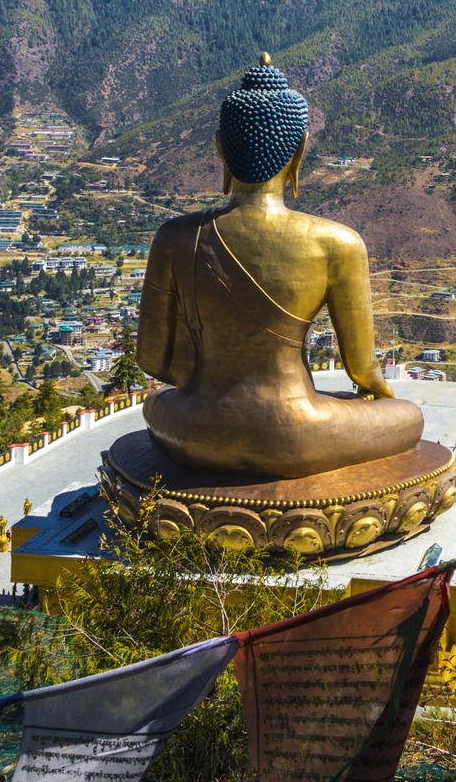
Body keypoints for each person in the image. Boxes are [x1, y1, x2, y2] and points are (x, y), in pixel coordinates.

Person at [136, 57, 424, 480]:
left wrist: (205, 387)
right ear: (300, 147)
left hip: (197, 430)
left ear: (220, 148)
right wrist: (379, 398)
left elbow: (154, 360)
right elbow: (361, 369)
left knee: (153, 404)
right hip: (297, 432)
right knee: (409, 416)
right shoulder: (337, 242)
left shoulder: (176, 236)